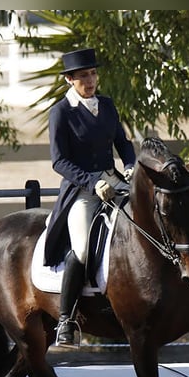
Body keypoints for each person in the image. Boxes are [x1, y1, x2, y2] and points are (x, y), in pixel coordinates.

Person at [43, 48, 136, 347]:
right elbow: (59, 161)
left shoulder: (106, 105)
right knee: (82, 250)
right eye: (83, 75)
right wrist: (93, 182)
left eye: (93, 73)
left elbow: (122, 142)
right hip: (82, 191)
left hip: (114, 183)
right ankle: (66, 321)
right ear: (70, 79)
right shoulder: (61, 113)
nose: (91, 79)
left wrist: (131, 165)